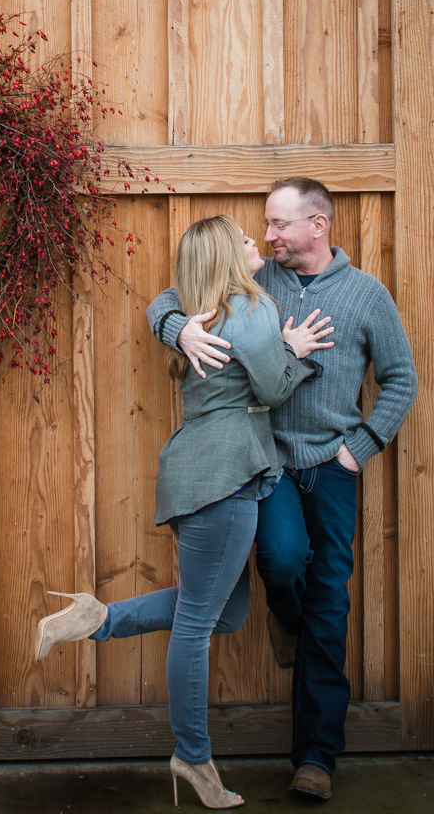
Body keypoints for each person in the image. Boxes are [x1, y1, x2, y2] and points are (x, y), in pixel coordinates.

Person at [35, 214, 334, 810]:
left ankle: (96, 618)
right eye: (243, 239)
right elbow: (275, 389)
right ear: (226, 257)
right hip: (224, 476)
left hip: (199, 473)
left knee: (224, 613)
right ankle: (193, 756)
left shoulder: (201, 310)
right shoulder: (252, 308)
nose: (255, 241)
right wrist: (295, 351)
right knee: (198, 625)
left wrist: (176, 328)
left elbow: (164, 303)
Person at [147, 178, 418, 801]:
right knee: (283, 559)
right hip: (266, 464)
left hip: (334, 466)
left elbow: (401, 380)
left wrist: (358, 449)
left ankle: (316, 757)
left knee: (331, 601)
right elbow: (171, 294)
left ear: (317, 226)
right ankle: (285, 617)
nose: (267, 235)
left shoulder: (367, 295)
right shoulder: (256, 279)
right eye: (265, 226)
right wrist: (177, 329)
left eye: (278, 224)